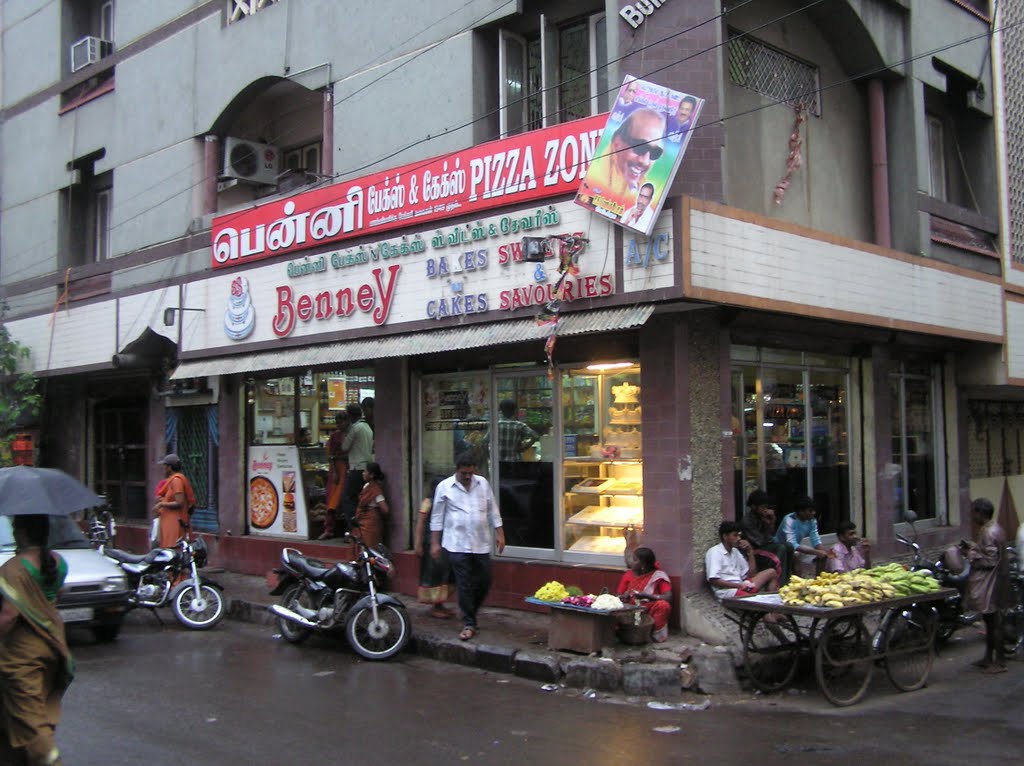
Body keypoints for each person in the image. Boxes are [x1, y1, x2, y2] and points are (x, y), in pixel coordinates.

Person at [0, 514, 74, 766]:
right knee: (27, 710)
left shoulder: (13, 569)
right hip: (54, 647)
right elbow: (54, 598)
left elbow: (9, 615)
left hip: (22, 655)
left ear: (21, 532)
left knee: (31, 720)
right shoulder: (58, 562)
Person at [430, 453, 505, 641]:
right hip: (456, 544)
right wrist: (434, 542)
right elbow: (437, 517)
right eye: (464, 473)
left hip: (480, 543)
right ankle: (469, 623)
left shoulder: (483, 484)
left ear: (475, 470)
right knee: (464, 583)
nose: (467, 477)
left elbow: (492, 509)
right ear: (457, 470)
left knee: (485, 580)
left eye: (470, 473)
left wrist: (500, 534)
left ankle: (471, 611)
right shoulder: (445, 487)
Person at [579, 108, 667, 209]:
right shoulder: (595, 180)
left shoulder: (645, 191)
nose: (645, 161)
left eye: (655, 153)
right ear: (617, 143)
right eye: (640, 147)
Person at [962, 497, 1012, 673]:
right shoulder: (992, 529)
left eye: (974, 512)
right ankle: (988, 657)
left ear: (980, 513)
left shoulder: (988, 532)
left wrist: (971, 554)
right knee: (990, 621)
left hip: (991, 582)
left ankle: (998, 662)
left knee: (993, 622)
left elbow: (990, 559)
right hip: (996, 579)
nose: (972, 516)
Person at [706, 521, 780, 599]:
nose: (739, 539)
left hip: (742, 586)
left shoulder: (735, 551)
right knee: (756, 600)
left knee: (771, 572)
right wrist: (738, 586)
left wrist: (750, 552)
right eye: (735, 535)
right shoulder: (714, 552)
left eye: (739, 535)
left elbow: (751, 575)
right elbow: (713, 580)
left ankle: (773, 603)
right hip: (728, 591)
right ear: (725, 536)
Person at [617, 547, 672, 642]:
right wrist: (623, 597)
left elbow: (668, 597)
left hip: (649, 609)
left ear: (643, 565)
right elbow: (619, 595)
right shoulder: (628, 575)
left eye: (635, 560)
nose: (631, 562)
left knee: (663, 605)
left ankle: (653, 635)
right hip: (631, 610)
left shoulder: (658, 576)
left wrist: (647, 596)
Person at [414, 498, 455, 619]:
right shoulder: (428, 502)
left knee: (444, 575)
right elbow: (421, 522)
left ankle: (440, 605)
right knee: (434, 576)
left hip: (445, 542)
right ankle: (436, 607)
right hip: (430, 543)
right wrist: (418, 544)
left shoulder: (445, 502)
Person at [773, 495, 833, 577]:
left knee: (823, 556)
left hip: (795, 547)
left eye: (813, 511)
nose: (813, 513)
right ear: (801, 511)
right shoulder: (789, 520)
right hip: (781, 547)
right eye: (810, 511)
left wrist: (824, 552)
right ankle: (798, 582)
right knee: (796, 557)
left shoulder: (812, 521)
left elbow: (815, 540)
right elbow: (792, 544)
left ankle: (819, 580)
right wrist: (816, 552)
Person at [739, 489, 791, 584]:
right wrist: (765, 524)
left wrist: (771, 521)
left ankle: (787, 578)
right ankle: (780, 582)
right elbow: (760, 541)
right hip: (755, 549)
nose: (765, 510)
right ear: (754, 506)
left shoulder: (762, 517)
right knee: (781, 548)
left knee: (789, 546)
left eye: (766, 507)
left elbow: (770, 535)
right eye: (762, 507)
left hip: (765, 546)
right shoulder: (747, 521)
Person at [340, 403, 374, 530]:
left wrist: (345, 432)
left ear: (350, 416)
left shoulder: (355, 428)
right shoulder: (367, 427)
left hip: (356, 468)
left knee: (348, 499)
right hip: (366, 467)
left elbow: (344, 447)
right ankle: (362, 527)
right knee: (360, 499)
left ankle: (354, 528)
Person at [319, 410, 350, 539]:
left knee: (347, 499)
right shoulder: (335, 437)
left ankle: (348, 530)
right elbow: (331, 456)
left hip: (347, 468)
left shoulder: (351, 434)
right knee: (332, 499)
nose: (339, 425)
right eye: (337, 422)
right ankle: (329, 528)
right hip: (337, 469)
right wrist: (335, 472)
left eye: (341, 422)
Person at [152, 453, 194, 548]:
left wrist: (162, 504)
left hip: (175, 522)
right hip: (170, 521)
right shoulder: (172, 480)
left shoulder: (176, 481)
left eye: (165, 466)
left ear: (170, 467)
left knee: (172, 548)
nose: (164, 469)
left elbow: (179, 502)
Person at [351, 462, 389, 549]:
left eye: (365, 471)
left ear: (371, 475)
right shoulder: (366, 486)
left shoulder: (376, 489)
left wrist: (372, 512)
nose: (363, 473)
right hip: (362, 520)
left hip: (371, 523)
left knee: (370, 547)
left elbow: (385, 509)